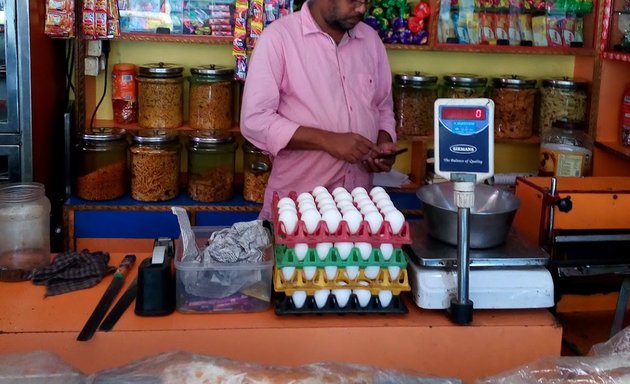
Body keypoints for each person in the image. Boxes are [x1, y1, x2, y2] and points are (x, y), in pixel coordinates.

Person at [240, 0, 399, 220]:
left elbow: (382, 106)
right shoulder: (279, 38)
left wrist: (382, 144)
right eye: (353, 1)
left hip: (358, 207)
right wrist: (327, 140)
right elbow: (254, 120)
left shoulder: (370, 40)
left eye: (366, 2)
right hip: (297, 209)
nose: (362, 9)